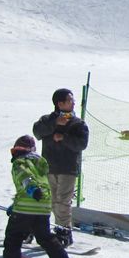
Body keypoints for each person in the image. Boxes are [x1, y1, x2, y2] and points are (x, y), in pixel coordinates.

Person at [0, 135, 83, 258]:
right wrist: (15, 206)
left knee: (13, 238)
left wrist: (32, 190)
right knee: (46, 238)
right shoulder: (41, 164)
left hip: (25, 208)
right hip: (42, 208)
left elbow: (25, 177)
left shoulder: (20, 162)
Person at [32, 88, 89, 247]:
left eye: (72, 100)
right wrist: (55, 124)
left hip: (67, 169)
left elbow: (81, 144)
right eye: (69, 100)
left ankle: (64, 232)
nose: (73, 103)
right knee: (51, 201)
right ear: (60, 103)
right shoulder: (47, 120)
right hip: (48, 168)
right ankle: (54, 229)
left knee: (63, 202)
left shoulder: (78, 123)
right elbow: (37, 131)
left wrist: (64, 137)